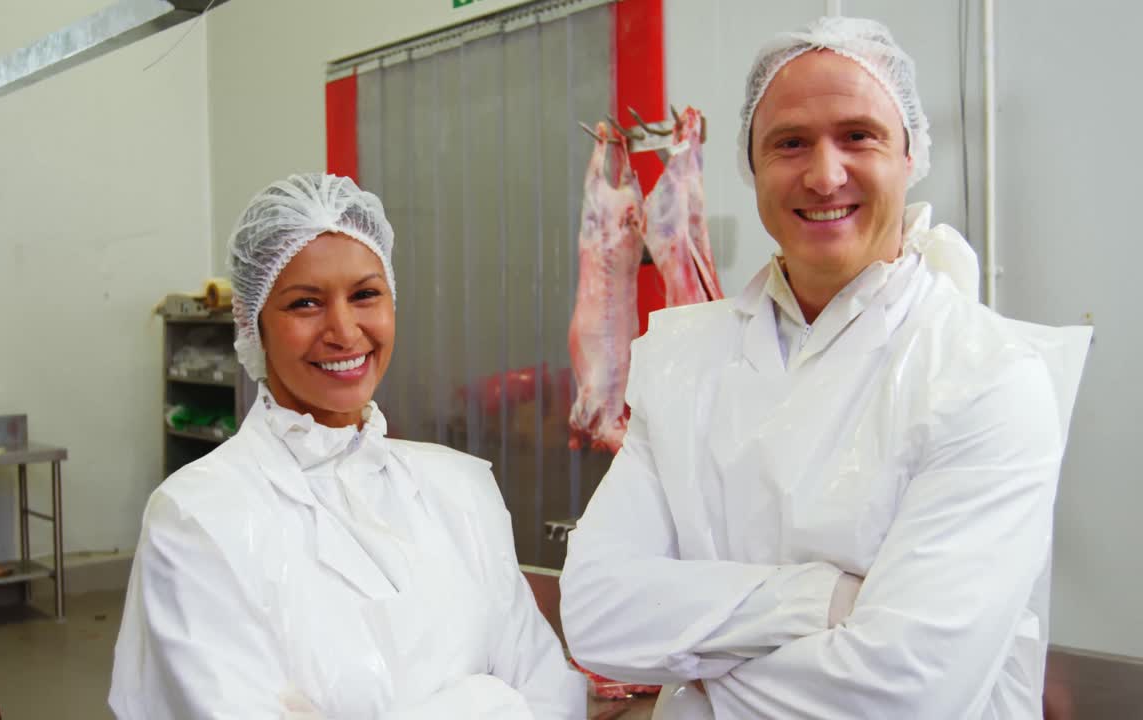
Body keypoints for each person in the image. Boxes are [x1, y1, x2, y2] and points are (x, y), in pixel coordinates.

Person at [559, 16, 1090, 719]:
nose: (824, 173)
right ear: (753, 169)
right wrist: (830, 600)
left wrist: (695, 697)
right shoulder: (684, 362)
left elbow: (905, 692)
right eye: (790, 143)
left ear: (910, 156)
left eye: (859, 136)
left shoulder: (988, 375)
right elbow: (596, 615)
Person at [110, 173, 585, 719]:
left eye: (365, 295)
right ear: (253, 324)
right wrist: (489, 701)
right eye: (305, 303)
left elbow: (550, 692)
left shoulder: (461, 490)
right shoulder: (198, 517)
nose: (344, 331)